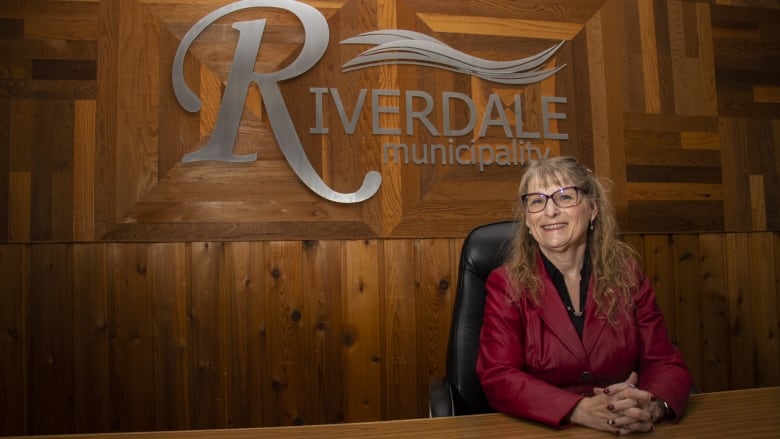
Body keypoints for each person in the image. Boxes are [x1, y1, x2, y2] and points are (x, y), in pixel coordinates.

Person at [476, 156, 692, 435]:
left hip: (627, 428)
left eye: (565, 197)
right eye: (537, 201)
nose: (550, 211)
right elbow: (499, 376)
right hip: (546, 430)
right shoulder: (506, 284)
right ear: (528, 221)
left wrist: (652, 404)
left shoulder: (628, 276)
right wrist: (579, 409)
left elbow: (664, 361)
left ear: (593, 209)